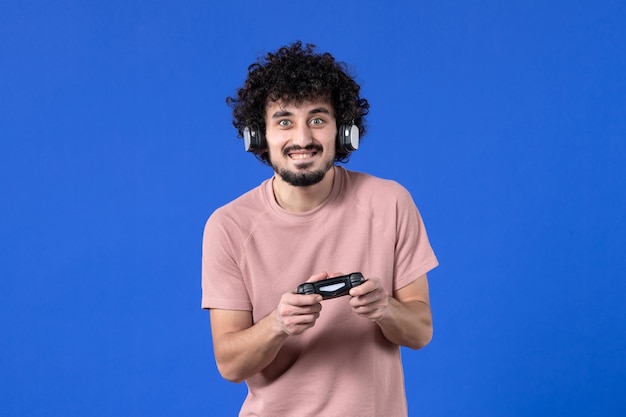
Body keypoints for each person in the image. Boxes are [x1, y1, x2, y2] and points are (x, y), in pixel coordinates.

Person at [202, 41, 438, 417]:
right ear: (258, 136)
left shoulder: (390, 202)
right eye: (284, 121)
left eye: (317, 119)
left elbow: (421, 331)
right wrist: (278, 324)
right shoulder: (228, 226)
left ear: (343, 131)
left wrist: (385, 309)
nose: (302, 139)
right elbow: (230, 364)